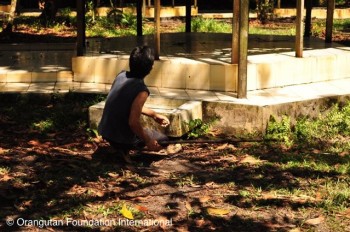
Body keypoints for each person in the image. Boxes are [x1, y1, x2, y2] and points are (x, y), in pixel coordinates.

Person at [98, 46, 179, 162]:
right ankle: (123, 149)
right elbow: (133, 122)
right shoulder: (141, 90)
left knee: (146, 133)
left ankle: (118, 148)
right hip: (120, 138)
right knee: (163, 139)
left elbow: (126, 104)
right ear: (150, 68)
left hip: (106, 131)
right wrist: (148, 141)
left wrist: (154, 115)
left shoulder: (121, 75)